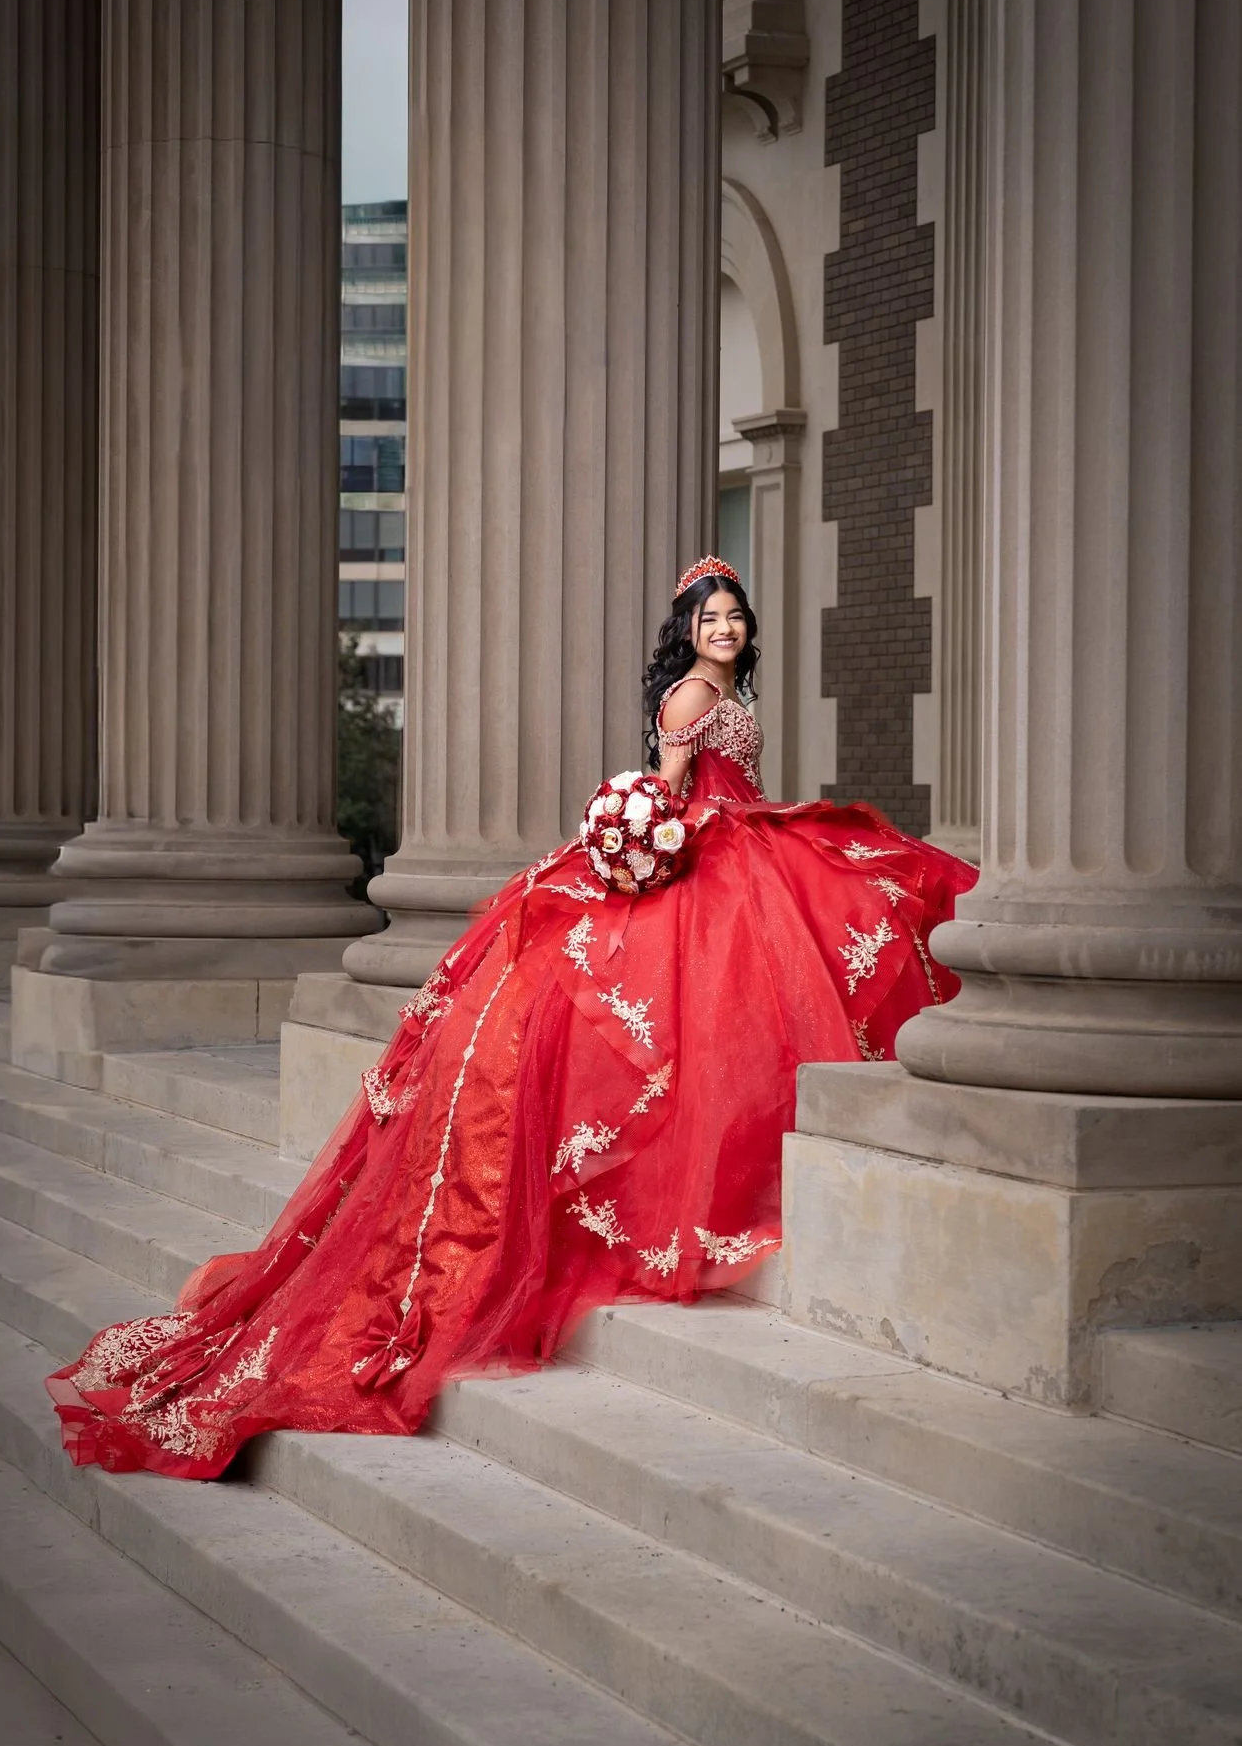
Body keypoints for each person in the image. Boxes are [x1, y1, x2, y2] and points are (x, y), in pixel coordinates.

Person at [47, 559, 975, 1478]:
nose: (724, 629)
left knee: (843, 918)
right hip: (705, 849)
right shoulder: (691, 698)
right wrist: (648, 847)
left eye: (733, 616)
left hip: (744, 837)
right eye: (710, 618)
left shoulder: (727, 688)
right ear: (686, 633)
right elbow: (667, 790)